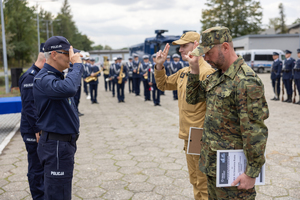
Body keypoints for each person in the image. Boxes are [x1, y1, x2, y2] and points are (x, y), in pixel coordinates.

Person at [185, 26, 269, 199]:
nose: (205, 58)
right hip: (213, 166)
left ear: (225, 47)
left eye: (208, 53)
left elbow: (255, 131)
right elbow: (192, 99)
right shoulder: (217, 76)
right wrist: (194, 70)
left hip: (234, 173)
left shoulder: (246, 81)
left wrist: (251, 173)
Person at [155, 31, 214, 200]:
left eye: (184, 46)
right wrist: (159, 66)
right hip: (188, 135)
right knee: (195, 179)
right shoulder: (184, 72)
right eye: (179, 46)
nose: (180, 50)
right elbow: (163, 84)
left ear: (196, 46)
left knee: (202, 181)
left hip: (199, 134)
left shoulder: (206, 73)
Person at [33, 36, 83, 200]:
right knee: (58, 195)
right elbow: (69, 89)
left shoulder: (57, 77)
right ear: (54, 54)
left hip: (63, 145)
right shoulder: (44, 78)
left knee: (60, 192)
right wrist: (77, 66)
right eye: (68, 54)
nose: (71, 57)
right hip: (56, 146)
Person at [19, 43, 46, 200]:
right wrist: (37, 129)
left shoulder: (39, 74)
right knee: (36, 167)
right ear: (43, 61)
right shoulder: (30, 76)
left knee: (41, 165)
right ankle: (38, 196)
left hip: (37, 128)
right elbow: (29, 108)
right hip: (32, 130)